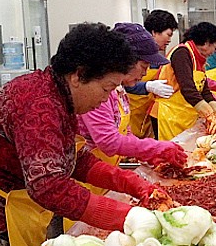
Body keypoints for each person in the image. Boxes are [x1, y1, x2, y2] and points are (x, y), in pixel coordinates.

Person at [0, 23, 170, 246]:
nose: (106, 99)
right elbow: (49, 186)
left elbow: (73, 159)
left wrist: (129, 182)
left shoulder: (58, 96)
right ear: (78, 75)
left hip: (10, 209)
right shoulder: (38, 104)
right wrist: (128, 218)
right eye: (106, 89)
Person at [78, 23, 187, 169]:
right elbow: (108, 141)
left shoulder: (120, 90)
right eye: (143, 66)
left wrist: (146, 155)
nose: (145, 73)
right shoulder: (98, 92)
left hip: (109, 169)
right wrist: (153, 148)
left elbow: (126, 133)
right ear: (125, 61)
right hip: (88, 174)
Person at [150, 22, 216, 141]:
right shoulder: (182, 53)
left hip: (183, 115)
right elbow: (188, 89)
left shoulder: (199, 58)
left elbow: (204, 91)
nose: (214, 51)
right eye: (215, 47)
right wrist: (208, 112)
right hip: (168, 115)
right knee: (171, 150)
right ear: (206, 43)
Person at [123, 10, 179, 138]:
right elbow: (123, 83)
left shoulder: (159, 59)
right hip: (132, 113)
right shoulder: (135, 54)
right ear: (154, 32)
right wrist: (147, 86)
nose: (169, 40)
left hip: (146, 115)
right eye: (168, 35)